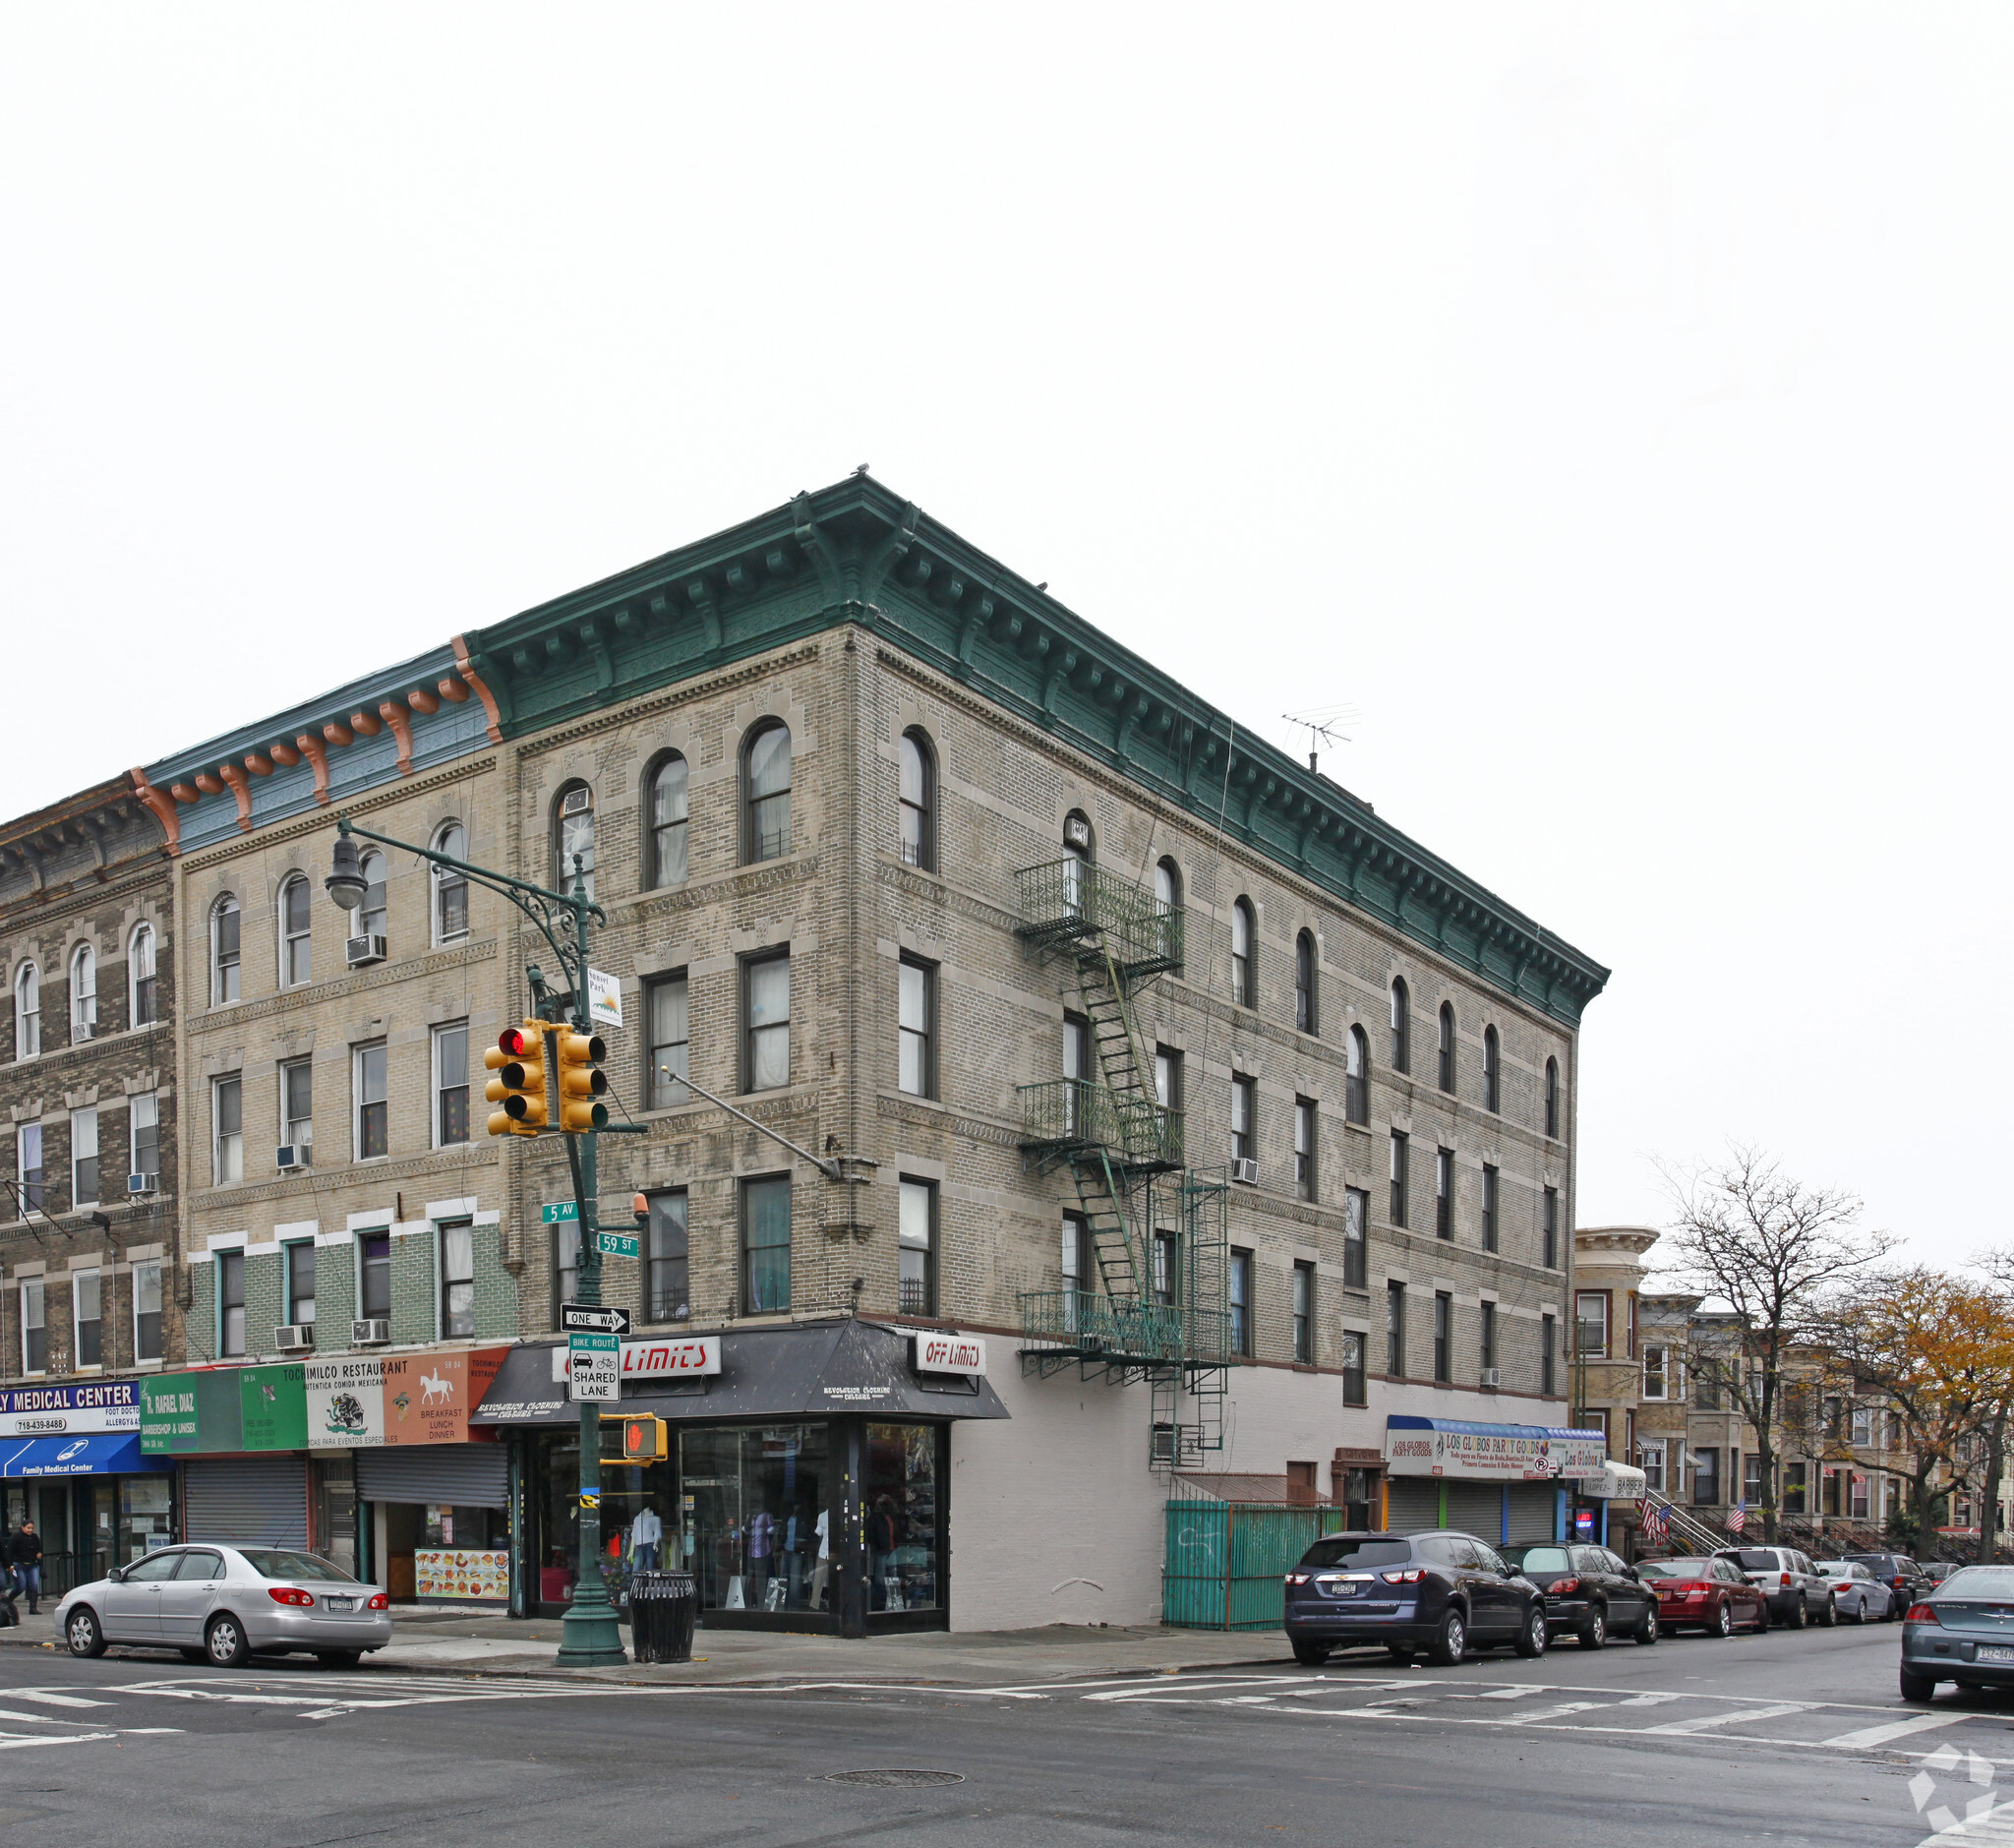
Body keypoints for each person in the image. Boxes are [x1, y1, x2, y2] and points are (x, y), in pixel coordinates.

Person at [10, 1520, 43, 1615]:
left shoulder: (35, 1537)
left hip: (32, 1564)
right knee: (21, 1586)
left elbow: (39, 1551)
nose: (30, 1530)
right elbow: (10, 1551)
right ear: (23, 1527)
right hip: (19, 1565)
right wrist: (10, 1565)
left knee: (34, 1585)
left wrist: (40, 1563)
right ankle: (8, 1601)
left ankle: (33, 1608)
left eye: (32, 1528)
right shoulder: (16, 1537)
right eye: (28, 1528)